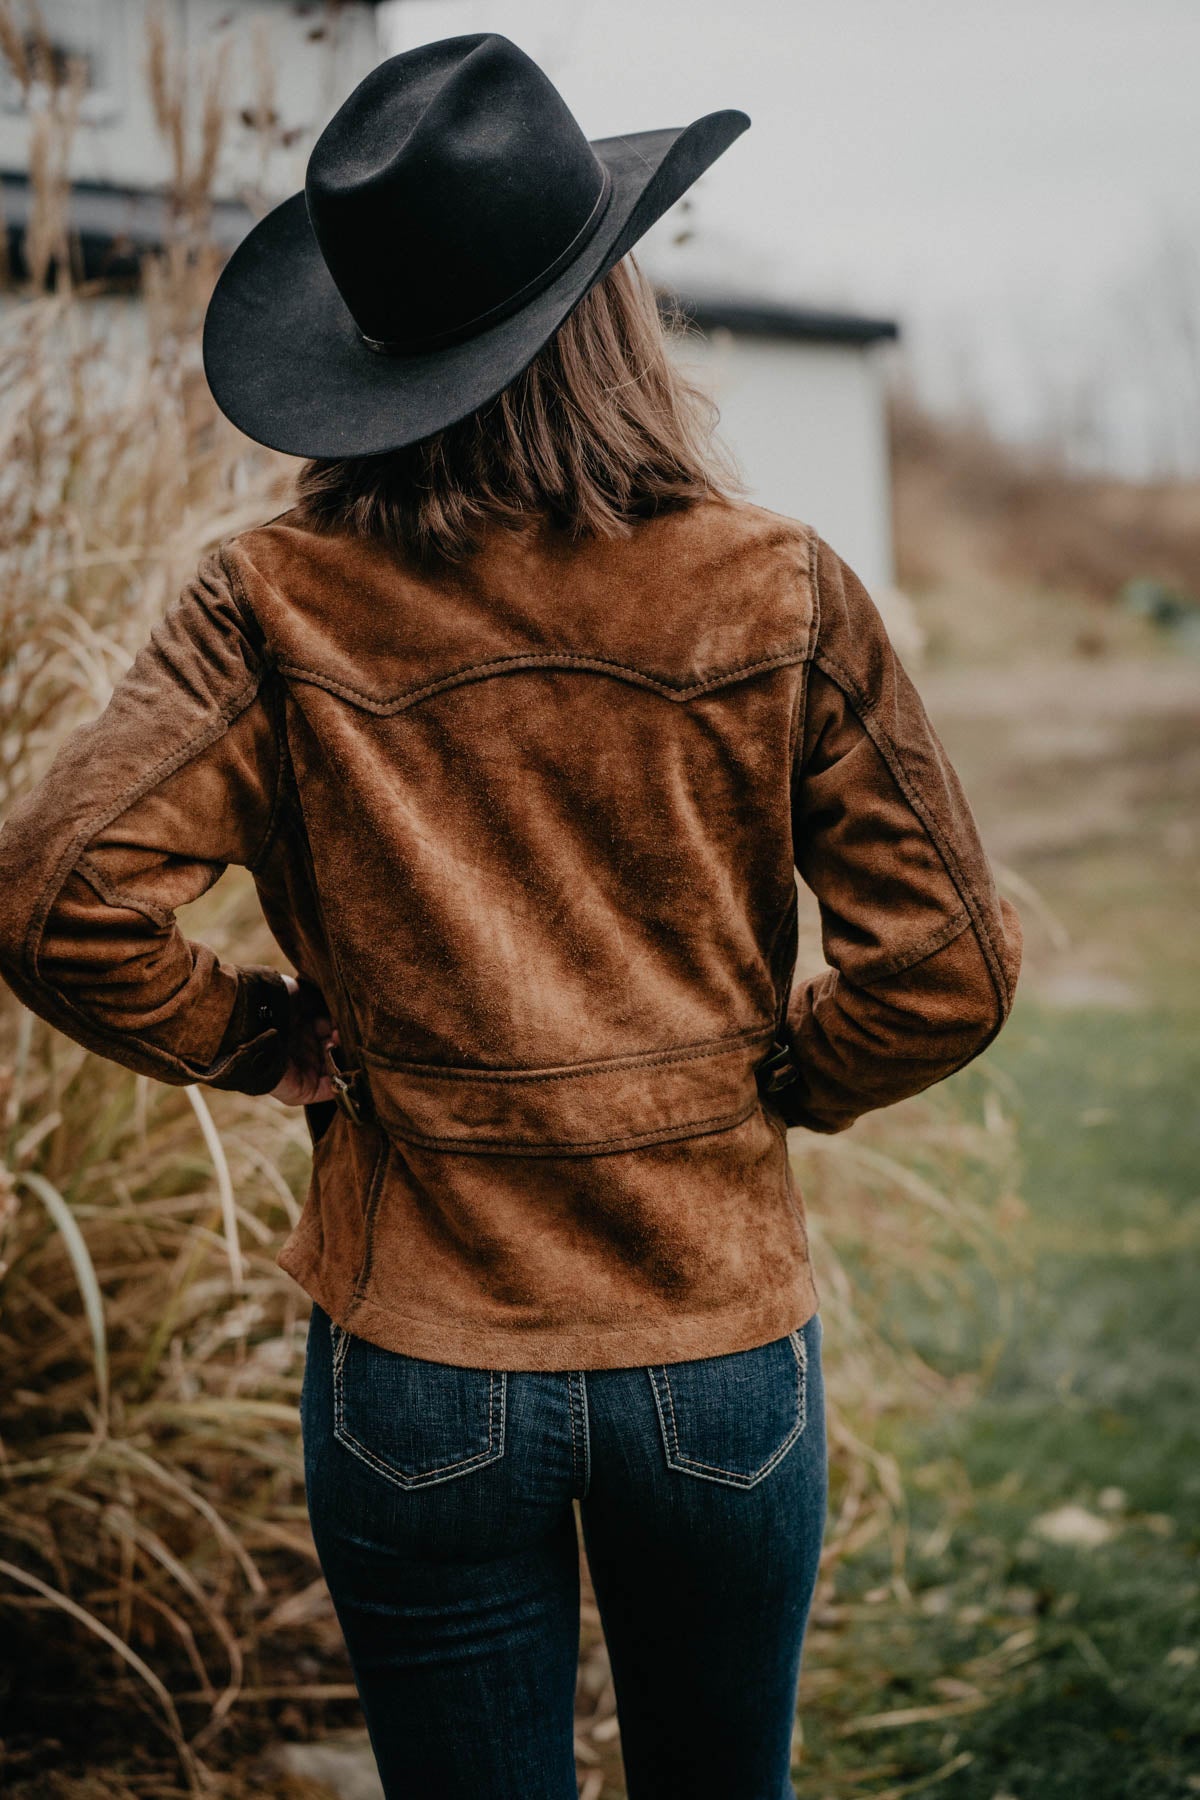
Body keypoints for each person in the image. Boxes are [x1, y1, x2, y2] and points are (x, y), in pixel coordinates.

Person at [0, 34, 1022, 1800]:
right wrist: (786, 1081)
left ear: (372, 356)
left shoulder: (268, 601)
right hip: (716, 1354)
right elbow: (953, 969)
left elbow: (50, 892)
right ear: (615, 310)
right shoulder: (771, 582)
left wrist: (261, 1041)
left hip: (418, 1364)